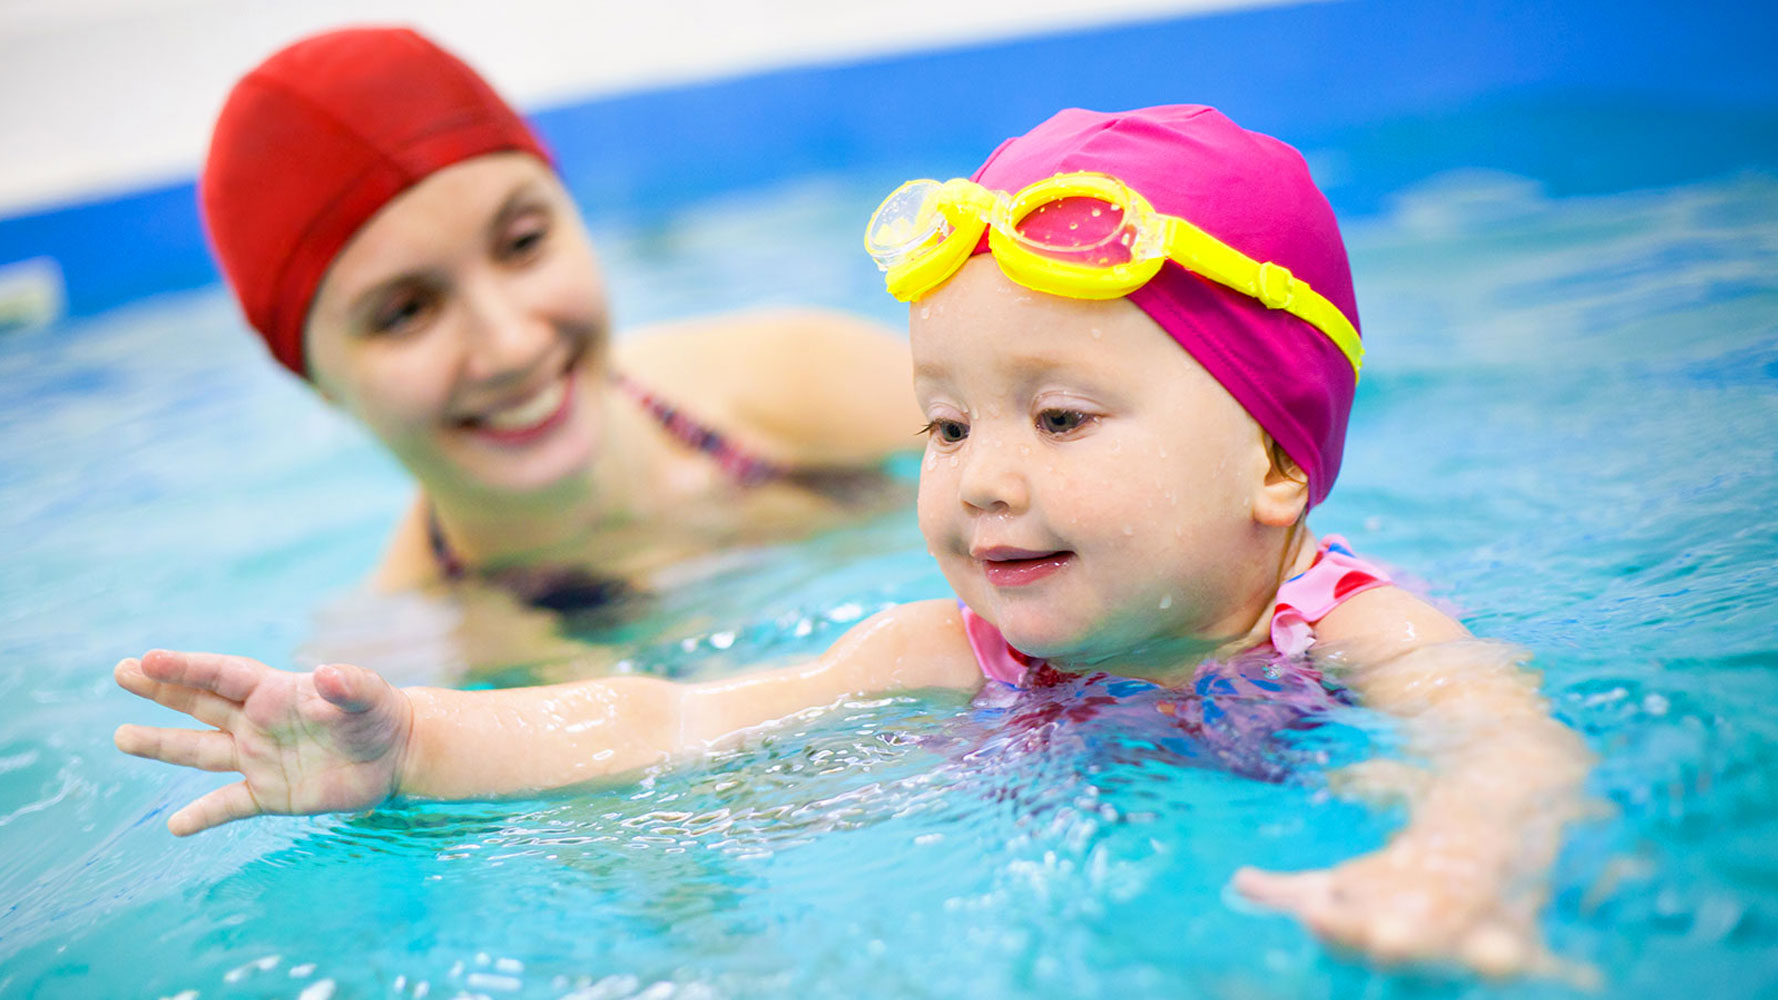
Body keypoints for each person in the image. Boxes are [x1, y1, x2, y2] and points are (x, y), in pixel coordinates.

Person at [117, 106, 1591, 977]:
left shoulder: (1345, 628)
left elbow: (1505, 745)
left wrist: (1455, 866)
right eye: (943, 428)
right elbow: (672, 716)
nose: (976, 484)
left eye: (1059, 420)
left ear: (1274, 460)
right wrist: (419, 750)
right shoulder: (941, 651)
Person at [200, 26, 921, 610]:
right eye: (407, 312)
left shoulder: (806, 380)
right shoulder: (409, 673)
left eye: (523, 244)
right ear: (316, 380)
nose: (511, 345)